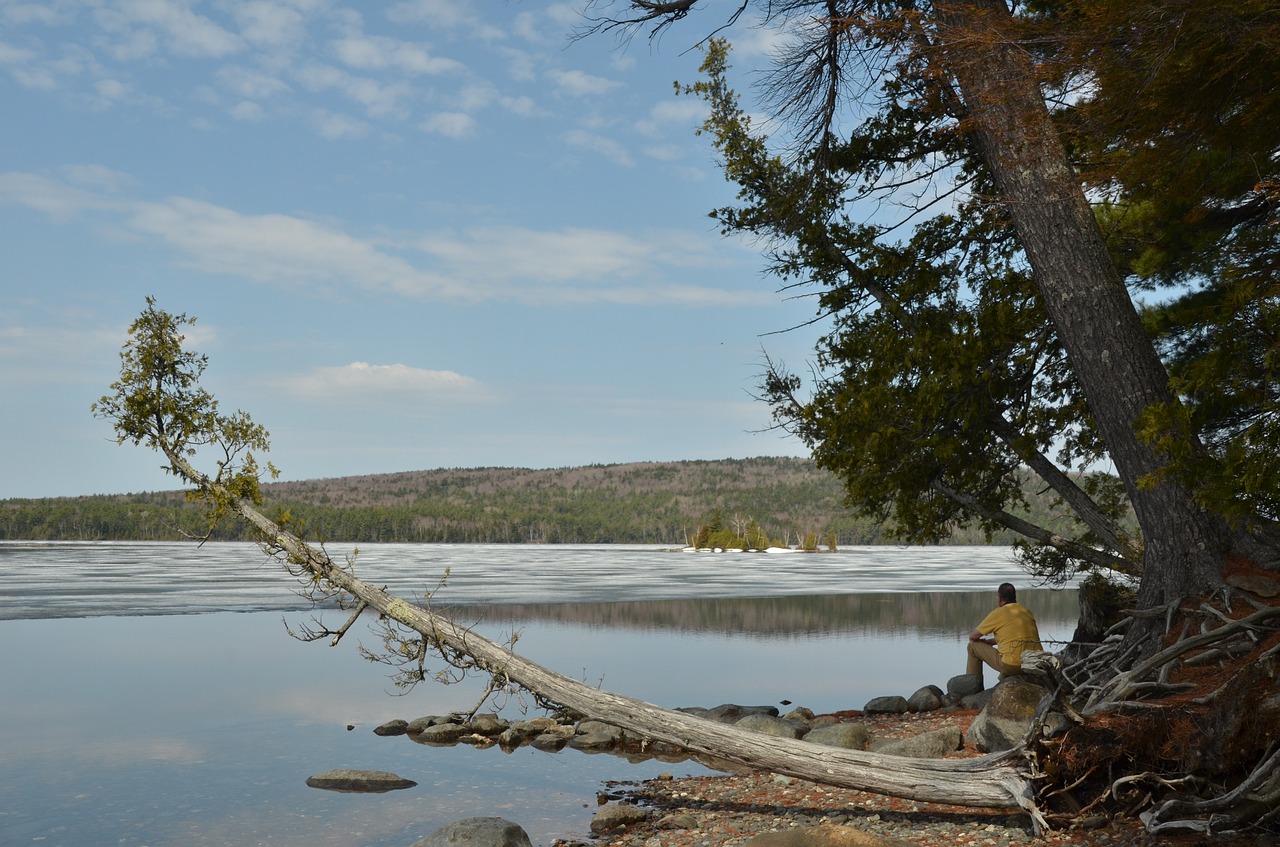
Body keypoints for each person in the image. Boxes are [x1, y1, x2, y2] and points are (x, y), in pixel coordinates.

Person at [966, 582, 1043, 685]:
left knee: (972, 646)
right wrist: (994, 641)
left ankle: (972, 688)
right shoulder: (1026, 611)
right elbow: (1019, 636)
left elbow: (973, 636)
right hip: (1034, 662)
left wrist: (983, 642)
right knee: (1009, 653)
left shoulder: (998, 613)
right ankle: (1005, 682)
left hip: (1013, 665)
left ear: (1000, 598)